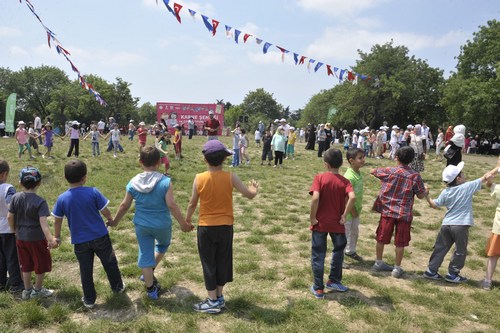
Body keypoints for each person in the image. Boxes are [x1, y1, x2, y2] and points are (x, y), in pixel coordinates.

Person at [186, 140, 258, 313]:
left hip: (206, 228)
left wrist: (187, 221)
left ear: (205, 159)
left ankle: (212, 302)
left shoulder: (199, 178)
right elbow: (249, 195)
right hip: (226, 227)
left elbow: (192, 204)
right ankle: (218, 296)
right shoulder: (230, 176)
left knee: (208, 262)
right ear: (225, 159)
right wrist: (254, 189)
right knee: (222, 260)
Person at [112, 146, 192, 300]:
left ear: (140, 162)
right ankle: (149, 271)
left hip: (142, 226)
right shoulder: (165, 182)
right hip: (162, 225)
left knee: (145, 253)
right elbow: (172, 205)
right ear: (159, 162)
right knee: (162, 245)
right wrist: (183, 224)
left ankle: (150, 289)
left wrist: (115, 221)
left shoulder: (133, 182)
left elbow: (124, 205)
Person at [52, 160, 125, 308]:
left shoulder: (62, 198)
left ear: (65, 178)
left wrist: (57, 236)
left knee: (85, 270)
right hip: (100, 236)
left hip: (80, 241)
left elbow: (57, 220)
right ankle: (118, 287)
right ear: (84, 177)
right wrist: (110, 219)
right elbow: (105, 210)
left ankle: (89, 299)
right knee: (110, 263)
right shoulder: (93, 192)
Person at [423, 161, 498, 283]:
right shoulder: (467, 187)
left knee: (440, 247)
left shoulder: (445, 192)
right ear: (458, 179)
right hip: (461, 225)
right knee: (460, 250)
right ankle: (453, 274)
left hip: (446, 224)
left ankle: (431, 271)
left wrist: (427, 196)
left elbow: (434, 205)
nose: (464, 174)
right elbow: (485, 177)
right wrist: (497, 167)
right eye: (462, 173)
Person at [370, 146, 428, 278]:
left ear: (396, 157)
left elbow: (373, 171)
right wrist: (426, 192)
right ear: (412, 160)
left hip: (387, 211)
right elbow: (420, 195)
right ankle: (397, 268)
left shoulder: (389, 171)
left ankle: (378, 262)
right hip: (404, 213)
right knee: (400, 241)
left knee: (381, 237)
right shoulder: (415, 176)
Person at [309, 148, 356, 299]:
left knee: (318, 255)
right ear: (341, 164)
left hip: (320, 224)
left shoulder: (319, 178)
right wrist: (344, 215)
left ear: (326, 164)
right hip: (338, 224)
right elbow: (352, 198)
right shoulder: (345, 181)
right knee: (338, 251)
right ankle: (334, 280)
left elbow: (315, 198)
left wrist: (312, 218)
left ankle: (318, 288)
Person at [7, 167, 57, 300]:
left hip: (21, 238)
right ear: (39, 183)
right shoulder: (40, 201)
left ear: (20, 182)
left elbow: (9, 217)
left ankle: (27, 290)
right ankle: (37, 291)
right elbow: (44, 224)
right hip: (37, 239)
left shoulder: (16, 197)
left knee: (25, 264)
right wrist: (51, 239)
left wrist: (14, 230)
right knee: (40, 264)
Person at [0, 160, 23, 293]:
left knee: (1, 258)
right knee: (12, 256)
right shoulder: (8, 188)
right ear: (4, 174)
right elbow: (11, 207)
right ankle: (16, 284)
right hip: (8, 228)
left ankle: (1, 283)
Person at [343, 148, 366, 262]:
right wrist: (352, 211)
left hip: (356, 211)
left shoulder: (358, 173)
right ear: (351, 160)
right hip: (348, 212)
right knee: (344, 234)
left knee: (354, 232)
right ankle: (339, 259)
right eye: (360, 158)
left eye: (363, 157)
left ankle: (350, 250)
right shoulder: (349, 176)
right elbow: (345, 196)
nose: (363, 160)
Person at [482, 158, 500, 290]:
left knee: (493, 255)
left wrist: (493, 174)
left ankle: (487, 280)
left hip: (498, 229)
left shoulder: (498, 188)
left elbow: (488, 185)